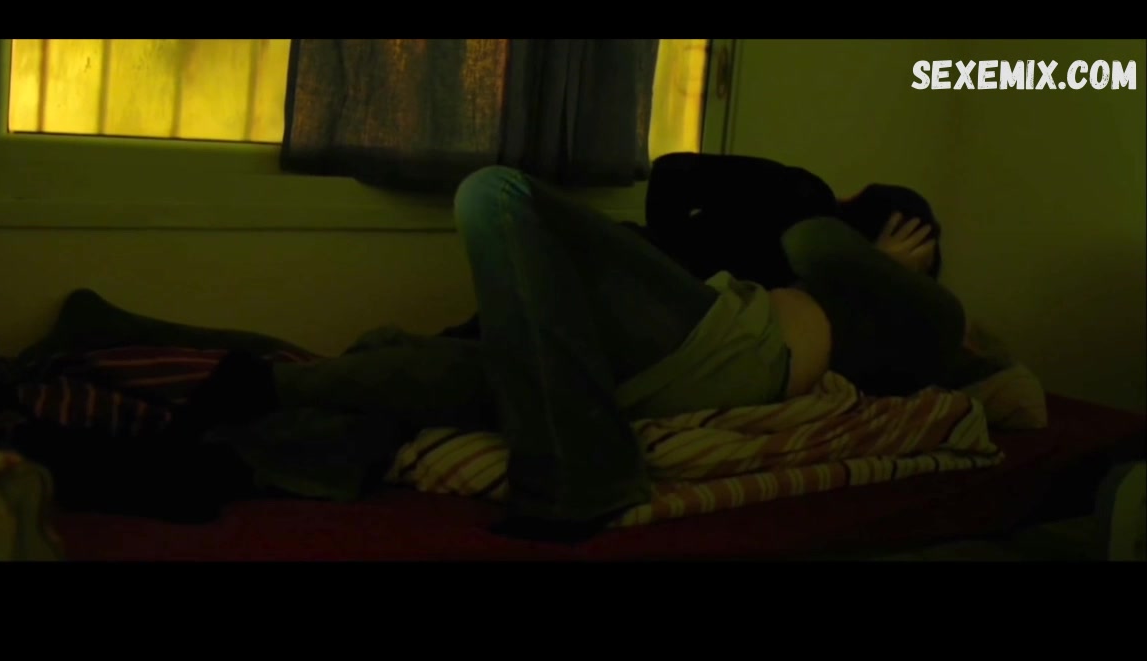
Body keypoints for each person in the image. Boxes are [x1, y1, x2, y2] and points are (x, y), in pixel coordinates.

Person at [187, 164, 981, 543]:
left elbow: (811, 239)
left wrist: (877, 251)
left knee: (496, 195)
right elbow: (683, 185)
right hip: (666, 354)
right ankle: (260, 399)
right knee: (423, 360)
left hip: (735, 350)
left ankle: (585, 475)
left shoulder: (931, 315)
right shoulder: (835, 274)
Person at [441, 153, 944, 340]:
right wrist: (669, 256)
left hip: (641, 291)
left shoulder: (821, 294)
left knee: (491, 343)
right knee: (486, 336)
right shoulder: (806, 197)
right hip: (628, 264)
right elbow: (672, 171)